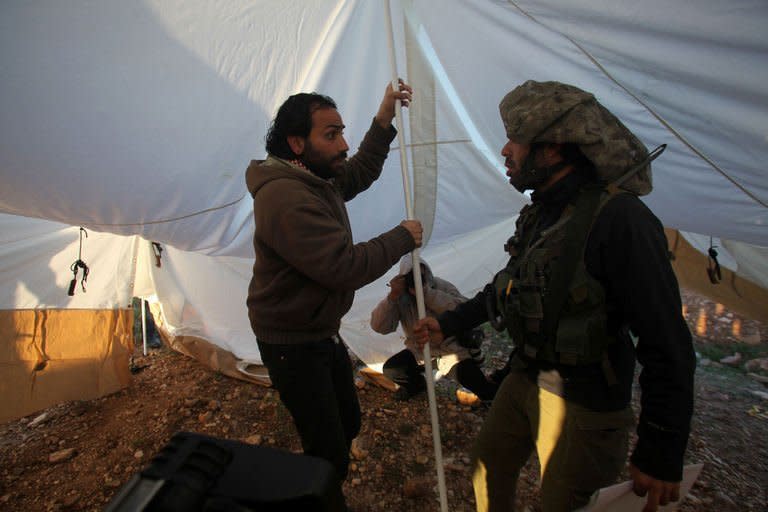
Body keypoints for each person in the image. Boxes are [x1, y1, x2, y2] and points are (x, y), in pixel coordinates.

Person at [413, 80, 695, 512]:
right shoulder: (543, 212)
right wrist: (448, 322)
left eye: (517, 140)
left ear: (553, 149)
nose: (505, 151)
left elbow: (667, 342)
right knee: (486, 468)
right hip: (525, 374)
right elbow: (509, 285)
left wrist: (661, 448)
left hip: (585, 400)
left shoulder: (621, 219)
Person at [245, 80, 423, 500]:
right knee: (328, 453)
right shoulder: (286, 197)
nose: (343, 143)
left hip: (319, 329)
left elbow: (357, 171)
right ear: (297, 143)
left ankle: (318, 480)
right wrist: (401, 237)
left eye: (342, 131)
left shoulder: (311, 175)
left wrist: (383, 118)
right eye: (331, 134)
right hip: (291, 339)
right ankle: (316, 497)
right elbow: (343, 267)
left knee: (348, 423)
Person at [370, 256, 498, 403]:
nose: (416, 279)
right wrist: (392, 297)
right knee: (393, 369)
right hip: (420, 350)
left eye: (420, 274)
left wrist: (427, 294)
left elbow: (464, 310)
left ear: (427, 272)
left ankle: (493, 397)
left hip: (451, 351)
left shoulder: (440, 286)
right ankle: (417, 386)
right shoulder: (400, 296)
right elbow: (379, 326)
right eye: (412, 276)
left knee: (481, 387)